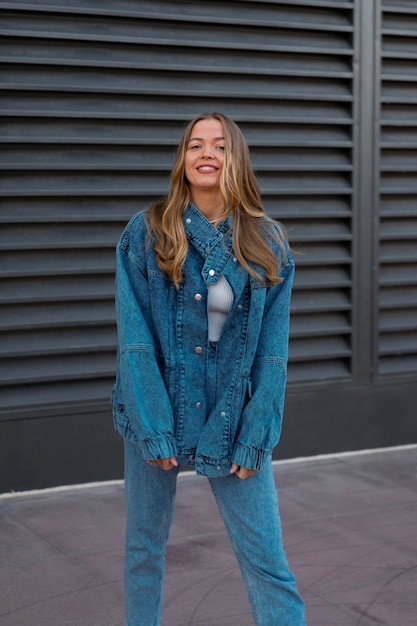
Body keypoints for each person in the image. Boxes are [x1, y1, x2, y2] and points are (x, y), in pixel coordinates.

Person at [112, 112, 306, 626]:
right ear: (182, 159)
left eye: (219, 146)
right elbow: (135, 341)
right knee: (144, 551)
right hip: (157, 408)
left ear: (235, 159)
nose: (205, 153)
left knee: (268, 563)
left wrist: (257, 434)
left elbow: (272, 352)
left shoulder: (267, 243)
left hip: (234, 416)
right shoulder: (147, 232)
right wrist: (153, 430)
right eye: (194, 144)